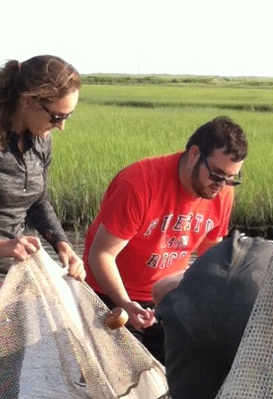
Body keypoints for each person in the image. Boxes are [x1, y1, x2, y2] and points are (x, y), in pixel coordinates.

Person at [83, 116, 248, 363]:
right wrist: (125, 303)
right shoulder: (139, 183)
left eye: (230, 178)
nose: (222, 186)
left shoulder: (222, 193)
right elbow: (101, 255)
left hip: (166, 296)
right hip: (111, 295)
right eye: (217, 174)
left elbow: (211, 255)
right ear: (194, 154)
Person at [0, 55, 85, 316]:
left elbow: (38, 202)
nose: (61, 126)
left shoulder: (41, 142)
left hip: (15, 277)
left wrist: (61, 243)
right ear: (28, 101)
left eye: (68, 116)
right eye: (56, 116)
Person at [154, 231, 273, 399]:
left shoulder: (220, 255)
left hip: (188, 315)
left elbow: (160, 288)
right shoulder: (270, 264)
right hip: (248, 317)